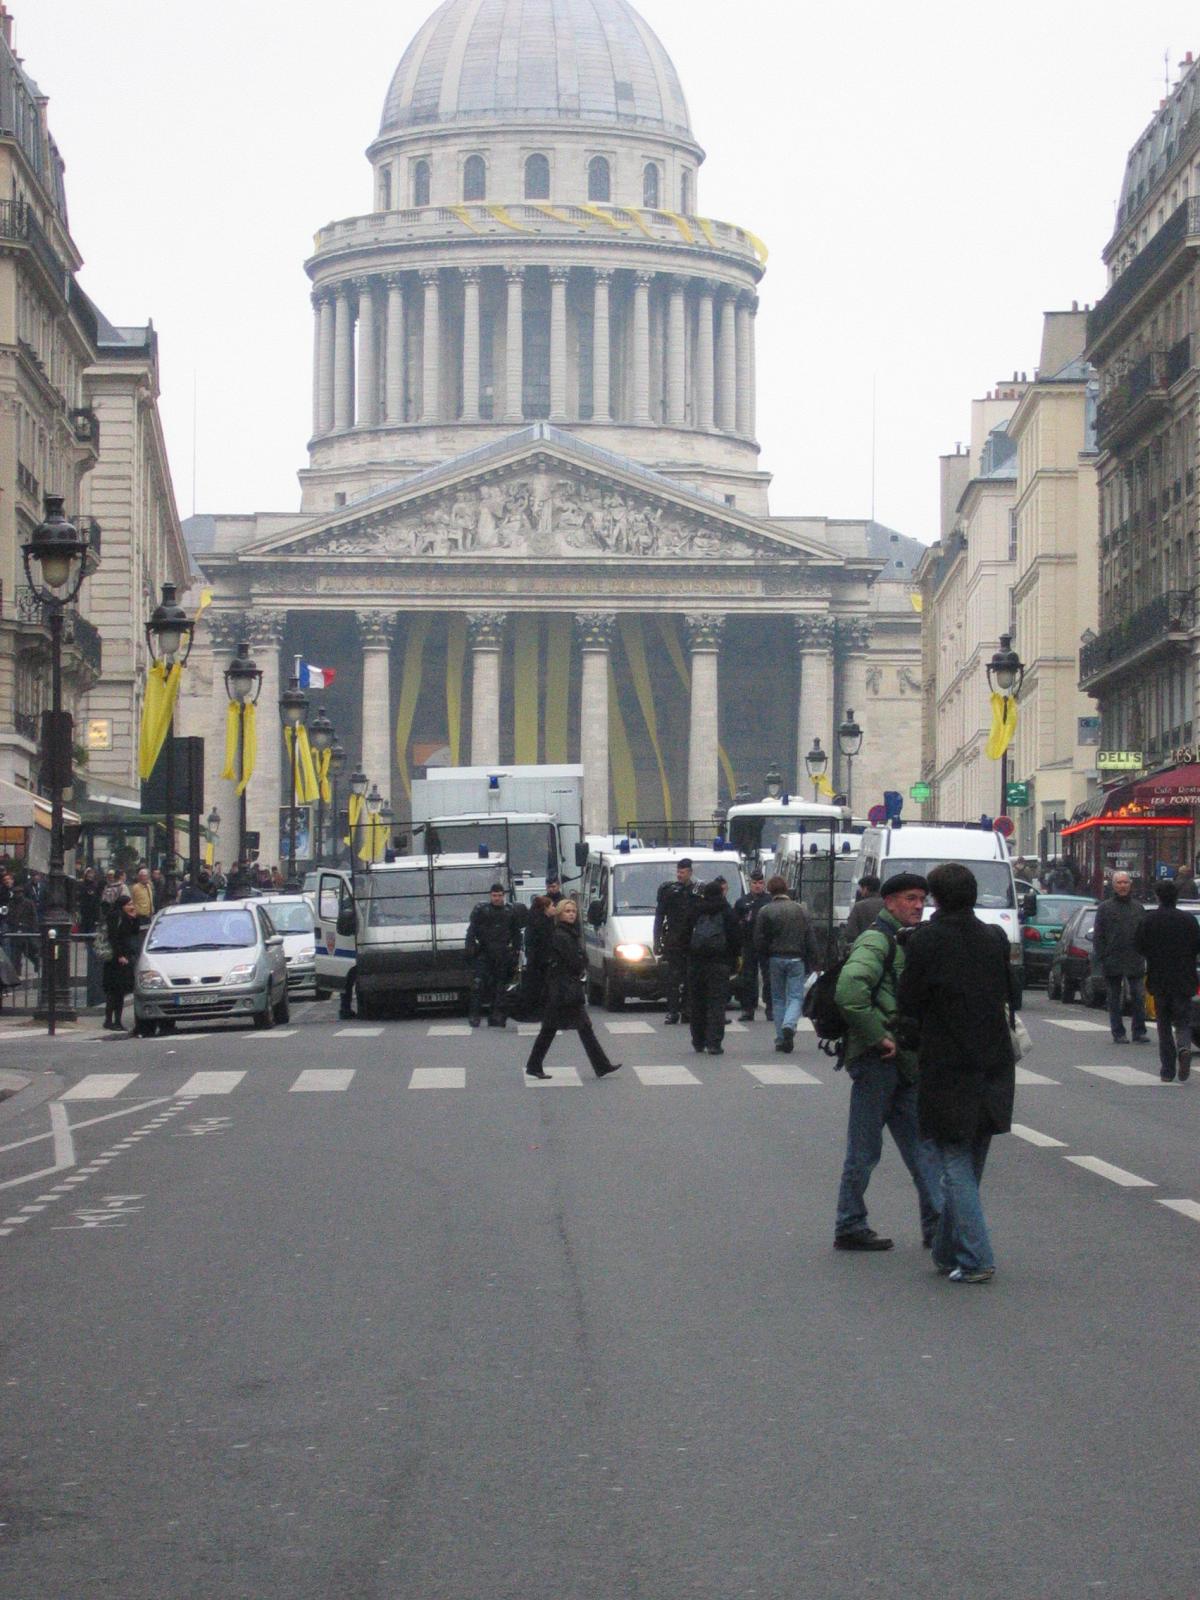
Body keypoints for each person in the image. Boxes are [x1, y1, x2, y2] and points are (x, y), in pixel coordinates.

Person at [898, 863, 1017, 1284]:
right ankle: (948, 1249)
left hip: (948, 1061)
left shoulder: (927, 940)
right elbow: (1012, 993)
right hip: (996, 1060)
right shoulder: (994, 937)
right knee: (971, 1157)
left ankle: (976, 1257)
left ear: (936, 897)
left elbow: (908, 1002)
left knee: (954, 1158)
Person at [832, 871, 940, 1252]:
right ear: (889, 901)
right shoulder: (878, 940)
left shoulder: (903, 938)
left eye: (922, 898)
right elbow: (849, 991)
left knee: (924, 1148)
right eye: (910, 898)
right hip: (878, 1061)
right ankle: (849, 1224)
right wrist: (879, 1035)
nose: (918, 905)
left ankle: (937, 1226)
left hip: (905, 1061)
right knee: (864, 1150)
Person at [524, 899, 621, 1080]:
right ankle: (534, 1064)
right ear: (560, 914)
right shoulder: (561, 935)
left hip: (565, 988)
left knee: (575, 1028)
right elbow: (574, 961)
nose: (571, 914)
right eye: (567, 911)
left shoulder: (569, 933)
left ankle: (601, 1065)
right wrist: (580, 962)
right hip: (563, 989)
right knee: (557, 1028)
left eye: (573, 911)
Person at [1135, 878, 1200, 1082]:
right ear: (1176, 897)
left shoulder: (1149, 920)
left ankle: (1167, 1069)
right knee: (1183, 1021)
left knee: (1163, 1023)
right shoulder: (1189, 920)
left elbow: (1139, 946)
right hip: (1184, 977)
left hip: (1159, 978)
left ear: (1157, 897)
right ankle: (1184, 1047)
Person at [754, 875, 821, 1053]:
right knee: (795, 996)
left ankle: (781, 1038)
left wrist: (763, 956)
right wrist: (816, 961)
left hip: (775, 958)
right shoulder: (800, 910)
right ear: (786, 889)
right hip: (797, 958)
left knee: (777, 999)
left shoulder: (765, 911)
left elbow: (758, 939)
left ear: (769, 890)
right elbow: (810, 938)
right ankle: (790, 1025)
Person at [1092, 870, 1149, 1044]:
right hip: (1113, 959)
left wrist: (1144, 954)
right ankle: (1118, 1032)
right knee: (1114, 998)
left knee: (1139, 996)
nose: (1123, 886)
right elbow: (1099, 935)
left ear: (1130, 885)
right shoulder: (1105, 908)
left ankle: (1139, 1031)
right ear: (1113, 885)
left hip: (1135, 959)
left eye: (1125, 882)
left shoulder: (1138, 908)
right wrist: (1102, 956)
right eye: (1119, 883)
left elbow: (1144, 934)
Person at [685, 878, 740, 1055]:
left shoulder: (695, 911)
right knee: (716, 1004)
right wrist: (732, 962)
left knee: (697, 1003)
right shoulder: (727, 912)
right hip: (719, 964)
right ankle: (714, 1043)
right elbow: (735, 940)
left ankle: (698, 1041)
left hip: (696, 964)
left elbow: (684, 936)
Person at [464, 882, 522, 1027]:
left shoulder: (510, 911)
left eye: (499, 895)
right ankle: (474, 1015)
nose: (497, 898)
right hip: (484, 952)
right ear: (490, 896)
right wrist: (470, 949)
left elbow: (516, 934)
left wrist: (515, 952)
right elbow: (471, 931)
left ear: (504, 896)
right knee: (478, 984)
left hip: (502, 953)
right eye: (494, 895)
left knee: (499, 986)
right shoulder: (481, 910)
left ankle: (495, 1015)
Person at [653, 858, 699, 1024]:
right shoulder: (669, 891)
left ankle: (687, 1010)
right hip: (674, 940)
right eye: (678, 872)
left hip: (692, 941)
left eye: (683, 872)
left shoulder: (697, 891)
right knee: (673, 978)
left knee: (690, 977)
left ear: (690, 873)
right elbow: (659, 916)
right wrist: (656, 940)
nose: (680, 875)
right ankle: (673, 1011)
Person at [733, 869, 772, 1020]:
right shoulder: (742, 902)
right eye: (755, 883)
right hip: (748, 943)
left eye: (760, 883)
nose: (757, 886)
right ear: (750, 884)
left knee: (768, 977)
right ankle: (748, 1008)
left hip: (765, 944)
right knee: (748, 977)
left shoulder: (768, 901)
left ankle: (770, 1008)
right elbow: (735, 923)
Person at [102, 896, 143, 1033]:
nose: (131, 906)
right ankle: (110, 1020)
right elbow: (114, 937)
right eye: (129, 904)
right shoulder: (115, 917)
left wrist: (134, 917)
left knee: (119, 992)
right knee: (114, 992)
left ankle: (116, 1020)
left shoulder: (126, 917)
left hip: (124, 957)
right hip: (115, 960)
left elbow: (134, 932)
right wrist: (119, 955)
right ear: (122, 905)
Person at [513, 894, 555, 1019]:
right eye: (552, 906)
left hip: (538, 963)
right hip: (540, 964)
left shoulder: (543, 922)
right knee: (540, 989)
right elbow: (539, 945)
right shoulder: (541, 924)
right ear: (545, 908)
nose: (554, 908)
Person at [843, 874, 884, 944]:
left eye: (861, 888)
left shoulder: (859, 906)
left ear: (865, 889)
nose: (860, 891)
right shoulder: (888, 904)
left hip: (866, 944)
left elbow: (851, 932)